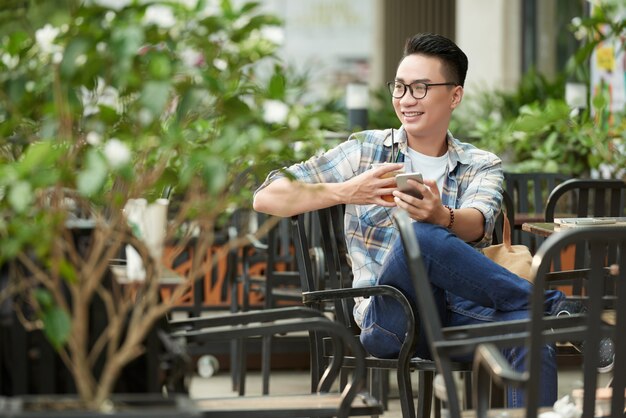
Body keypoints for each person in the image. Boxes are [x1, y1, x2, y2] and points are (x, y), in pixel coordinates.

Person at [253, 33, 612, 407]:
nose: (406, 99)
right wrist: (347, 191)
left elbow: (478, 222)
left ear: (454, 96)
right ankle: (555, 307)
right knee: (419, 237)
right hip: (389, 317)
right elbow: (267, 196)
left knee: (530, 332)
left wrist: (442, 216)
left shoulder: (480, 163)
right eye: (400, 87)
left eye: (421, 88)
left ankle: (545, 316)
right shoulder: (365, 150)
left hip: (460, 314)